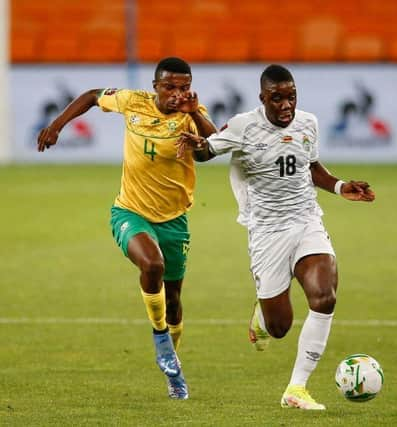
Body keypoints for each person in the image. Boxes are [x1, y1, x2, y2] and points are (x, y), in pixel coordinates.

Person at [176, 64, 375, 410]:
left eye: (291, 97)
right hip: (266, 233)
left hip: (306, 220)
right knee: (280, 326)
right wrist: (196, 139)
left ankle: (296, 389)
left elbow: (311, 167)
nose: (286, 105)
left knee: (324, 297)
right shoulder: (244, 126)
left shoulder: (308, 123)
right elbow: (207, 151)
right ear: (262, 98)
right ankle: (262, 319)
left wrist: (342, 187)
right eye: (277, 98)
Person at [37, 57, 216, 399]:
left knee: (174, 299)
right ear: (156, 87)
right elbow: (91, 95)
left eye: (184, 87)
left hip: (174, 220)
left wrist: (194, 116)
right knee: (152, 265)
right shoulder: (133, 101)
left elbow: (211, 151)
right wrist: (57, 125)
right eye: (170, 87)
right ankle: (160, 338)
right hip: (130, 211)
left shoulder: (193, 114)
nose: (178, 94)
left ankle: (171, 362)